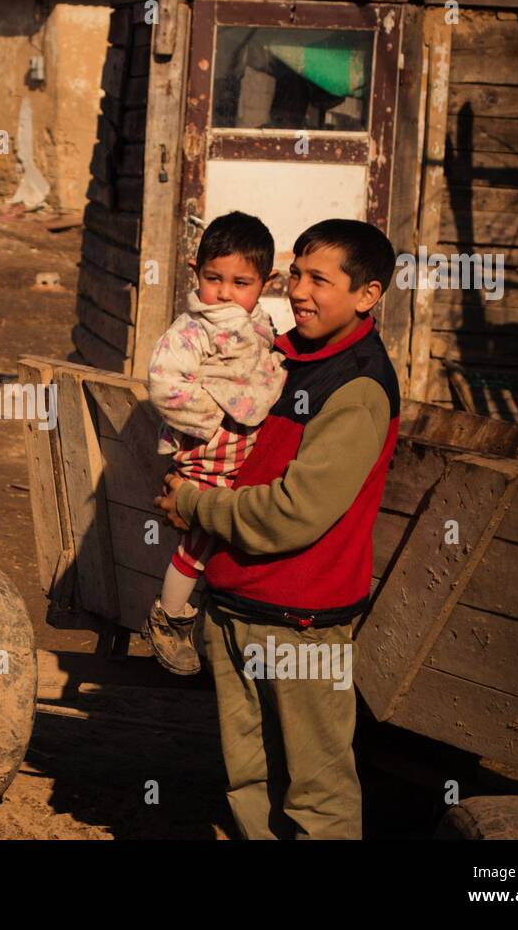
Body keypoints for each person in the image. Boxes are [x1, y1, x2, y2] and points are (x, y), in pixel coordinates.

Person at [154, 219, 401, 839]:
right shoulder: (275, 355)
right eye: (296, 274)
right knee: (249, 782)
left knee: (316, 794)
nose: (299, 291)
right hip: (238, 605)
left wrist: (195, 505)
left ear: (366, 296)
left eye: (321, 279)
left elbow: (296, 512)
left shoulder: (359, 385)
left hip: (302, 621)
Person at [142, 211, 286, 675]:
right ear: (194, 272)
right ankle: (168, 616)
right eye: (213, 278)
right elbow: (164, 384)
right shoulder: (190, 330)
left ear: (265, 283)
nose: (224, 292)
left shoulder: (262, 325)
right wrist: (218, 419)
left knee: (237, 530)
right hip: (209, 447)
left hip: (247, 451)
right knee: (200, 532)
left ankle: (228, 627)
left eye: (240, 282)